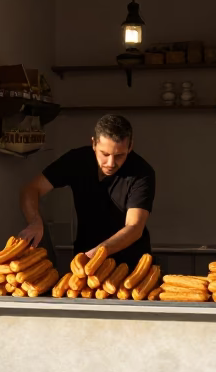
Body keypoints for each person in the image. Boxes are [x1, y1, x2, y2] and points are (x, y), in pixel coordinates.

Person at [18, 114, 155, 269]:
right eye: (105, 154)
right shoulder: (77, 160)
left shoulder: (142, 172)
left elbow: (134, 227)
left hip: (131, 265)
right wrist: (35, 221)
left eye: (119, 155)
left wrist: (97, 253)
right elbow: (31, 189)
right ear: (94, 144)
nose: (111, 163)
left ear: (130, 147)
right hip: (85, 261)